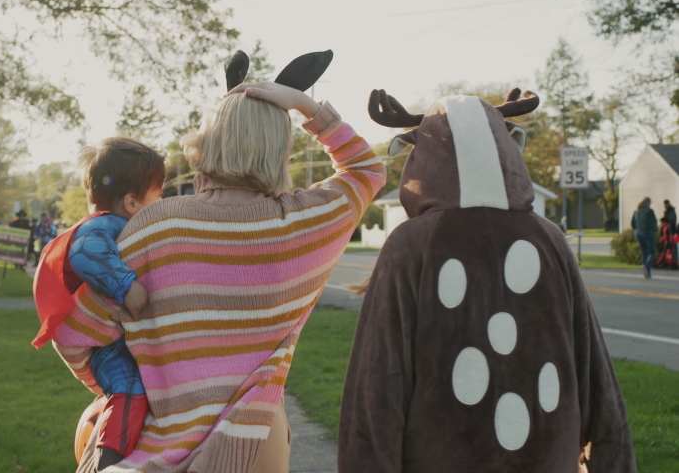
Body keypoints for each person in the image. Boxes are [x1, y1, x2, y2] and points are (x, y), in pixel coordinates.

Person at [71, 73, 385, 471]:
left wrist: (125, 392)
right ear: (280, 152)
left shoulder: (151, 226)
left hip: (142, 455)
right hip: (253, 448)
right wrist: (306, 106)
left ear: (204, 144)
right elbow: (367, 170)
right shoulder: (303, 224)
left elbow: (76, 336)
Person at [338, 89, 637, 472]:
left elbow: (376, 389)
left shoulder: (410, 245)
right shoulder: (550, 240)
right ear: (507, 146)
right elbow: (597, 377)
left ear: (422, 156)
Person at [32, 138, 165, 470]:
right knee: (130, 386)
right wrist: (126, 286)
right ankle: (109, 461)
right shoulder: (104, 226)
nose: (162, 203)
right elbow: (84, 252)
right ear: (133, 202)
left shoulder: (120, 224)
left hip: (106, 336)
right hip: (96, 344)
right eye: (158, 196)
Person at [632, 197, 658, 279]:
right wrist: (655, 230)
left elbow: (633, 223)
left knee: (644, 252)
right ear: (648, 202)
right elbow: (653, 222)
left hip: (639, 234)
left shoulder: (637, 211)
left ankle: (647, 272)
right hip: (648, 234)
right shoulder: (649, 211)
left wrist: (637, 230)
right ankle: (647, 266)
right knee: (652, 252)